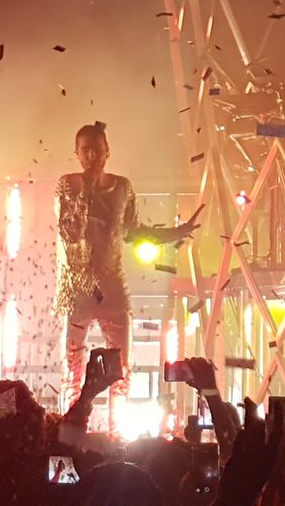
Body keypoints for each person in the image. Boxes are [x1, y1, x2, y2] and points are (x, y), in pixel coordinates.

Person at [55, 122, 200, 407]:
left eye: (97, 150)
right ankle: (70, 421)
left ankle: (117, 426)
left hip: (111, 287)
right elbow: (69, 231)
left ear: (107, 151)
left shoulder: (122, 187)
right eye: (86, 151)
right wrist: (86, 192)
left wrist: (174, 234)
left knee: (121, 365)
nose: (92, 157)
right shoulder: (67, 184)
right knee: (72, 365)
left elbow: (133, 232)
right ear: (77, 153)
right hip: (76, 289)